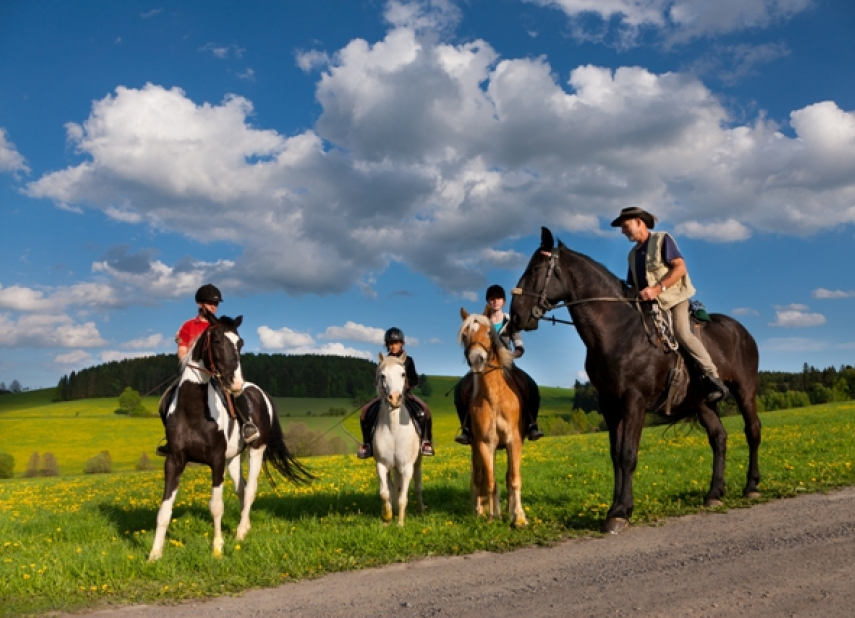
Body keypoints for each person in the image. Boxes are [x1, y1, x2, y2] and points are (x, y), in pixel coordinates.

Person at [610, 206, 729, 403]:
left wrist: (656, 289)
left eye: (625, 226)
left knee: (682, 332)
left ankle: (712, 377)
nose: (623, 231)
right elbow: (633, 286)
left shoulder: (662, 239)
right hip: (649, 307)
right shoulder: (632, 255)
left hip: (674, 300)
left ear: (640, 222)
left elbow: (680, 268)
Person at [155, 283, 257, 456]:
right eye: (210, 303)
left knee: (236, 392)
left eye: (216, 304)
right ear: (199, 304)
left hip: (216, 374)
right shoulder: (188, 326)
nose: (213, 307)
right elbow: (182, 351)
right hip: (194, 373)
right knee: (166, 398)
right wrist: (191, 366)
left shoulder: (220, 327)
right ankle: (171, 438)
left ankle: (247, 425)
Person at [454, 284, 544, 445]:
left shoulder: (510, 322)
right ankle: (466, 428)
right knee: (461, 389)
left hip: (507, 365)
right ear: (488, 301)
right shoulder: (482, 322)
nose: (495, 301)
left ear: (503, 301)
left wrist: (511, 355)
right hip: (482, 366)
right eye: (492, 299)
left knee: (531, 386)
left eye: (498, 298)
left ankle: (531, 424)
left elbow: (519, 346)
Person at [356, 327, 435, 459]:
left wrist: (407, 386)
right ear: (387, 345)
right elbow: (378, 379)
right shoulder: (384, 361)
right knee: (364, 411)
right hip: (386, 395)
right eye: (391, 344)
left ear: (402, 343)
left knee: (425, 410)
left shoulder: (408, 360)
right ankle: (367, 444)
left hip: (405, 394)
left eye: (396, 343)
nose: (393, 346)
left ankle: (426, 441)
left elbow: (415, 379)